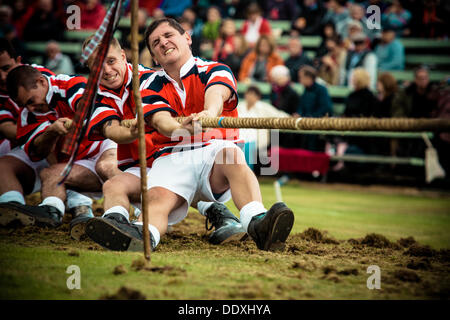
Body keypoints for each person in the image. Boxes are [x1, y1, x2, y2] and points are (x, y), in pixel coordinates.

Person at [85, 18, 294, 252]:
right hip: (170, 157)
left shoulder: (215, 69)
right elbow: (160, 119)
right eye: (156, 42)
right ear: (153, 56)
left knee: (231, 155)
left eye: (168, 36)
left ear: (187, 38)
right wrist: (180, 129)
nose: (163, 43)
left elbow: (217, 94)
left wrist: (207, 114)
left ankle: (257, 223)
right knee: (157, 199)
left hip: (211, 154)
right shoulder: (147, 84)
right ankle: (142, 236)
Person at [83, 34, 246, 246]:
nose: (105, 70)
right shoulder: (93, 96)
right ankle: (116, 224)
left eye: (111, 61)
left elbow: (186, 111)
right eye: (96, 66)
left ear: (123, 56)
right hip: (141, 165)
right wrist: (134, 130)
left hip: (172, 156)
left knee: (183, 178)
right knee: (112, 184)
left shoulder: (153, 78)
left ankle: (219, 212)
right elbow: (112, 130)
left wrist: (179, 125)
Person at [4, 65, 119, 234]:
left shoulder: (70, 84)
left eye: (30, 101)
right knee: (49, 174)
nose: (30, 108)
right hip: (79, 162)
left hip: (103, 146)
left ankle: (128, 218)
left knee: (107, 166)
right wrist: (51, 132)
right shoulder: (27, 116)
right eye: (24, 105)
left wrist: (77, 119)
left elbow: (87, 107)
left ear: (41, 82)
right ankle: (51, 212)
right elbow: (37, 153)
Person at [0, 39, 94, 232]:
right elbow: (10, 131)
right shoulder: (28, 112)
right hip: (37, 152)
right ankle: (15, 210)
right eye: (25, 104)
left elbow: (85, 108)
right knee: (4, 166)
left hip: (83, 150)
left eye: (6, 67)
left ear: (18, 60)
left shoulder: (46, 79)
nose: (2, 76)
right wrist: (46, 133)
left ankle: (82, 207)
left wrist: (48, 129)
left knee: (72, 154)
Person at [238, 85, 289, 170]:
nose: (250, 97)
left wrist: (293, 120)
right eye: (248, 94)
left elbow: (278, 115)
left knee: (248, 150)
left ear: (258, 97)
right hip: (240, 138)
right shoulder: (240, 106)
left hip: (256, 141)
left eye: (253, 94)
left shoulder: (263, 107)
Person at [296, 65, 333, 151]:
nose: (299, 80)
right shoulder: (306, 90)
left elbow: (326, 108)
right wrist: (299, 114)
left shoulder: (321, 90)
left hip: (317, 124)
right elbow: (301, 106)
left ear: (308, 77)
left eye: (301, 77)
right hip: (305, 122)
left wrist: (311, 117)